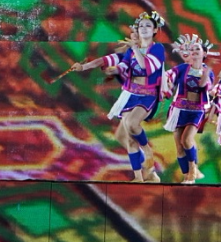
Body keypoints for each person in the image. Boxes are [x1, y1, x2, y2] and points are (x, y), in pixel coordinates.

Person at [71, 11, 165, 182]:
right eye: (140, 27)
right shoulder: (130, 52)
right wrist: (88, 68)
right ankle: (141, 176)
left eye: (148, 26)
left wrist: (135, 49)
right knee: (125, 137)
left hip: (147, 95)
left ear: (155, 30)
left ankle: (147, 151)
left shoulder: (157, 49)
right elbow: (114, 63)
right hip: (131, 95)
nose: (143, 29)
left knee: (131, 124)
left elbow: (146, 67)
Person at [164, 34, 216, 184]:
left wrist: (206, 72)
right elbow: (169, 74)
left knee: (186, 140)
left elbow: (203, 86)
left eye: (197, 49)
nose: (194, 51)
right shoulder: (183, 68)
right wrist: (167, 81)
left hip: (196, 110)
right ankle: (187, 176)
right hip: (179, 109)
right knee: (179, 146)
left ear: (204, 53)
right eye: (192, 49)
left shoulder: (208, 71)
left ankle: (193, 169)